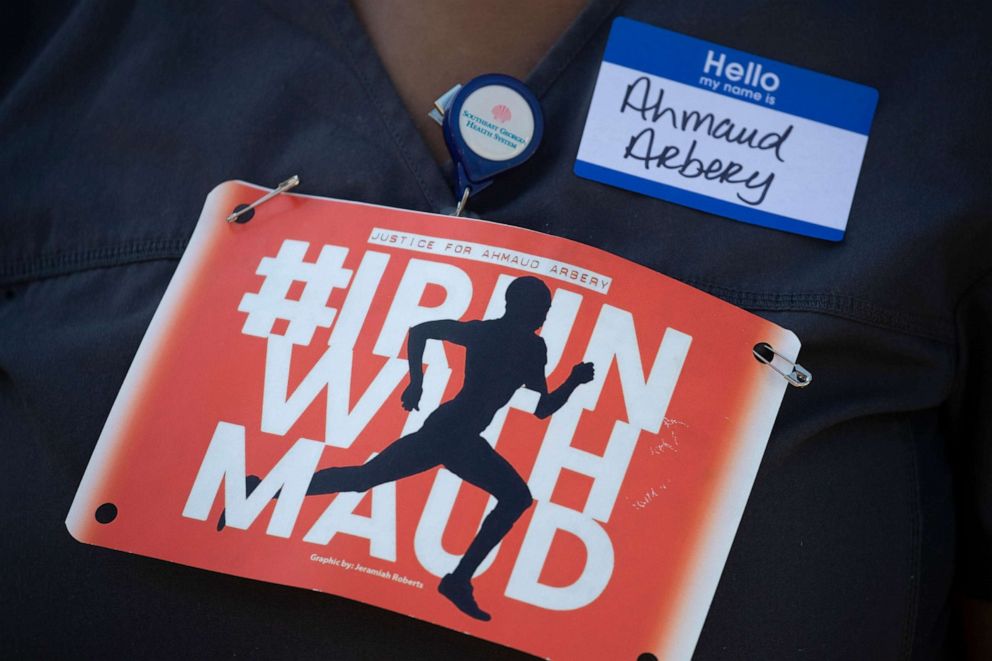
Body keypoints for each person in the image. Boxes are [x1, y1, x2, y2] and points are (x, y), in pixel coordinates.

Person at [2, 1, 989, 658]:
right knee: (366, 477)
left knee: (475, 495)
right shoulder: (55, 43)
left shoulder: (940, 69)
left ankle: (424, 556)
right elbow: (436, 329)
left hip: (461, 435)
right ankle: (259, 481)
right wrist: (421, 366)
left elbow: (532, 391)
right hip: (441, 427)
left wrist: (573, 391)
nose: (526, 304)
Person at [221, 276, 595, 621]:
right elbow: (423, 332)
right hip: (449, 433)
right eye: (541, 307)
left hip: (458, 434)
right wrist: (415, 381)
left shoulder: (512, 341)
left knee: (367, 479)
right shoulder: (507, 339)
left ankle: (458, 580)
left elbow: (539, 407)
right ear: (521, 307)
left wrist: (574, 381)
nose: (545, 314)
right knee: (365, 479)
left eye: (546, 309)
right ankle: (259, 489)